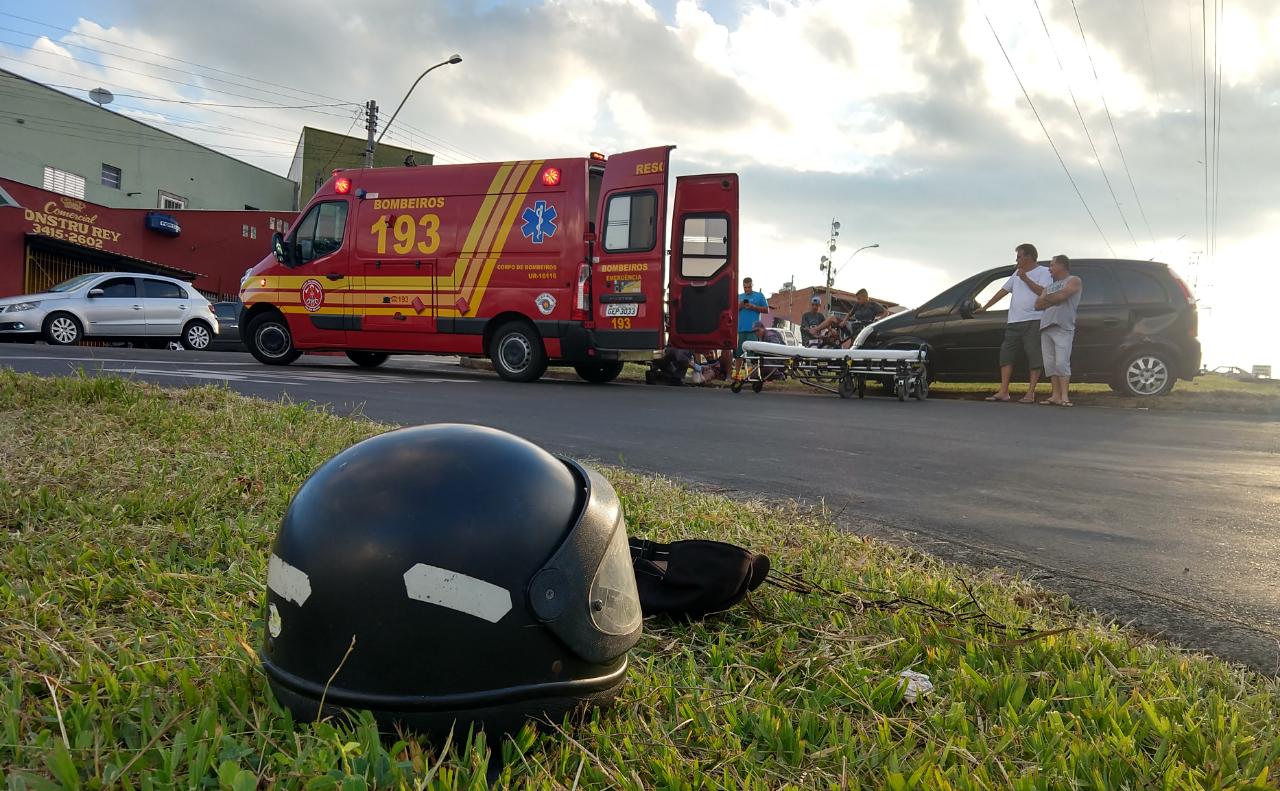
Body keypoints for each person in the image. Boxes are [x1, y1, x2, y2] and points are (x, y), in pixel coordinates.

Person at [977, 243, 1053, 403]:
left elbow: (1043, 293)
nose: (1016, 259)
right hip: (1014, 321)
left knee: (1033, 355)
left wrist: (1025, 279)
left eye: (1019, 256)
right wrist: (985, 307)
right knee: (1006, 354)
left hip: (1034, 319)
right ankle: (1004, 391)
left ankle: (1030, 393)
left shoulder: (1044, 272)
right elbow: (1003, 291)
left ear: (1029, 257)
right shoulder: (1016, 273)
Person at [1035, 255, 1083, 406]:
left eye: (1052, 265)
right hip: (1046, 326)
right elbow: (1037, 305)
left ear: (1061, 265)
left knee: (1062, 362)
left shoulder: (1074, 280)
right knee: (1050, 363)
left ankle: (1064, 396)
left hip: (1063, 326)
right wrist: (1052, 298)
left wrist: (1048, 298)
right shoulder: (1049, 287)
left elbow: (1064, 295)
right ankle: (1055, 395)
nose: (1050, 268)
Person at [808, 289, 888, 347]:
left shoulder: (873, 305)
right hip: (854, 326)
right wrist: (843, 321)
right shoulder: (857, 305)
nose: (858, 300)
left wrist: (878, 320)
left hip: (864, 328)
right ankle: (816, 330)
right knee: (833, 318)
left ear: (865, 297)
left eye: (859, 298)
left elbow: (886, 312)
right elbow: (849, 314)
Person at [735, 277, 769, 373]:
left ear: (752, 285)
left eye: (749, 287)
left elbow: (767, 310)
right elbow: (733, 310)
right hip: (741, 330)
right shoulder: (739, 296)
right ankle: (737, 375)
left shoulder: (759, 296)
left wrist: (753, 307)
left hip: (754, 331)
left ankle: (755, 375)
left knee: (753, 355)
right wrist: (740, 306)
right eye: (745, 287)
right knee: (739, 354)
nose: (747, 289)